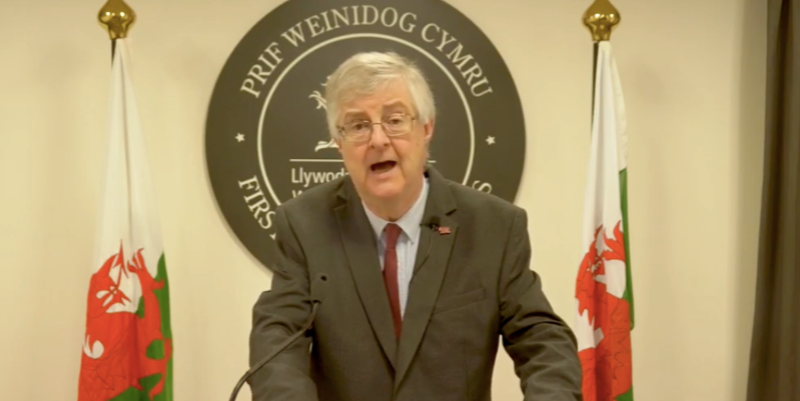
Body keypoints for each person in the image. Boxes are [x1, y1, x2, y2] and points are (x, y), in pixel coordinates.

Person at [247, 51, 582, 401]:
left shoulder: (493, 226)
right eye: (358, 126)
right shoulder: (305, 224)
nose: (378, 140)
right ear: (339, 142)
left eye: (394, 120)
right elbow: (277, 335)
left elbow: (541, 338)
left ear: (426, 128)